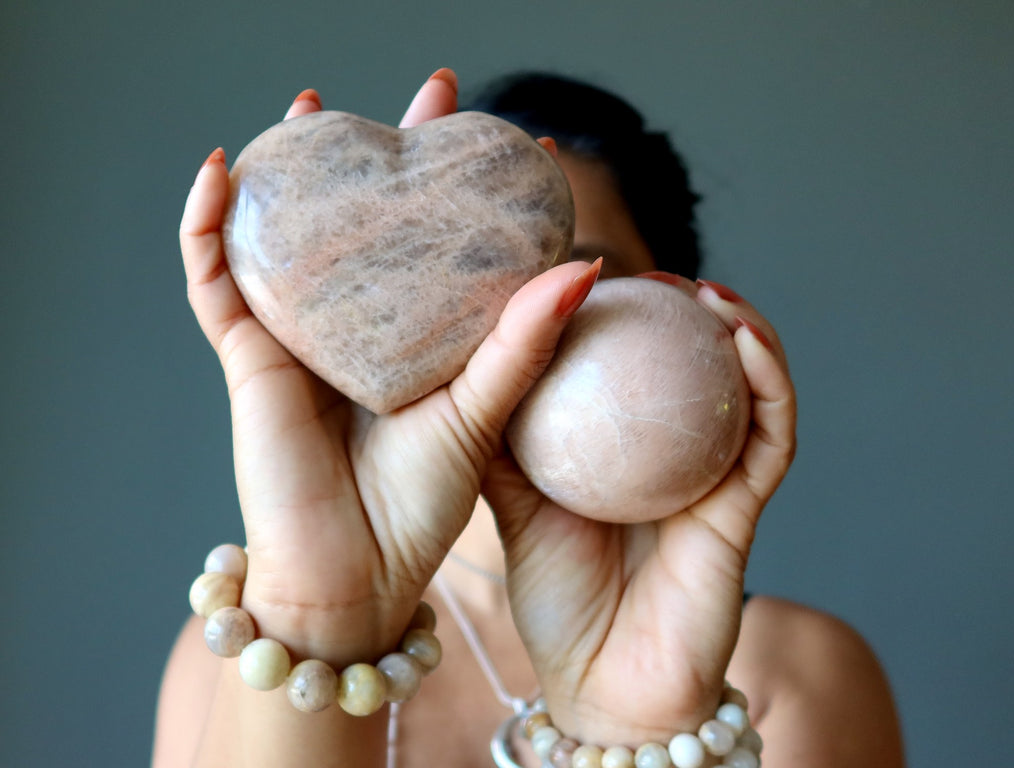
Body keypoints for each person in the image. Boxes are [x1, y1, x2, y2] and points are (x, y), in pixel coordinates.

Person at [155, 68, 904, 768]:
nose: (517, 337)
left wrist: (636, 727)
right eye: (474, 272)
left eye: (570, 287)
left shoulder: (799, 673)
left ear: (677, 311)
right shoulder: (236, 650)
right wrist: (324, 608)